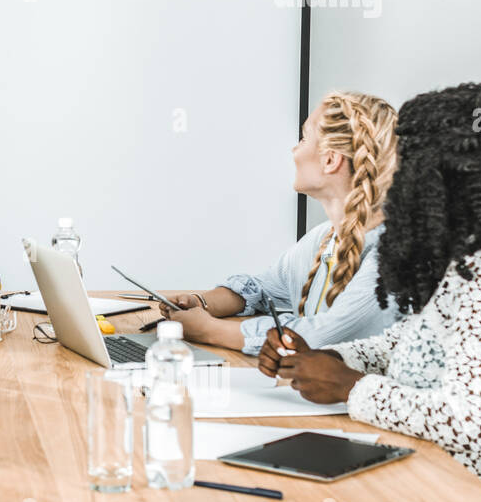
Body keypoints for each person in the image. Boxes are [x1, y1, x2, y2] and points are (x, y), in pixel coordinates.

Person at [262, 83, 481, 502]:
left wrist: (350, 386)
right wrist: (329, 357)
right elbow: (406, 341)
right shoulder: (464, 258)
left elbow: (468, 422)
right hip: (433, 483)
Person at [158, 91, 400, 354]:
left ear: (330, 160)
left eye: (304, 138)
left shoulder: (392, 257)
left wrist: (207, 330)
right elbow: (261, 289)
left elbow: (318, 337)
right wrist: (201, 303)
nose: (295, 149)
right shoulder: (324, 238)